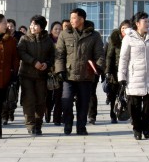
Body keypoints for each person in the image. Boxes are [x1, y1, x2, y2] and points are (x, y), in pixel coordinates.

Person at [118, 11, 149, 140]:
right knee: (133, 106)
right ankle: (136, 128)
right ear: (137, 23)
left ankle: (146, 127)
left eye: (148, 21)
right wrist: (121, 77)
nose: (147, 23)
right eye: (144, 21)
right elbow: (123, 59)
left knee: (148, 106)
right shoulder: (128, 38)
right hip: (134, 77)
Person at [55, 7, 105, 136]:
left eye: (74, 18)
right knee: (66, 101)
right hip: (68, 75)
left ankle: (81, 127)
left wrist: (98, 67)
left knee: (83, 104)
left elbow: (100, 54)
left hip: (86, 75)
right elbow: (59, 54)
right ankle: (68, 123)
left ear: (82, 19)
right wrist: (60, 70)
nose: (71, 20)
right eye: (71, 18)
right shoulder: (64, 34)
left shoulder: (94, 35)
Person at [18, 14, 55, 136]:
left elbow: (52, 56)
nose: (33, 27)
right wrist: (34, 62)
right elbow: (21, 53)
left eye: (36, 25)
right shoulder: (25, 38)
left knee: (40, 101)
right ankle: (30, 125)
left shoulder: (48, 40)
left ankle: (38, 124)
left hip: (41, 75)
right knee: (29, 100)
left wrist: (46, 64)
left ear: (42, 27)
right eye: (32, 24)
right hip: (26, 75)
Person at [105, 20, 130, 124]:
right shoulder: (115, 40)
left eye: (127, 28)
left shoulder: (134, 39)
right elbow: (109, 56)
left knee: (129, 94)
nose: (125, 30)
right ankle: (112, 113)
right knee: (114, 93)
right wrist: (107, 71)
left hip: (129, 71)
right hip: (116, 71)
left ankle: (129, 113)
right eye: (123, 28)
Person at [2, 18, 22, 124]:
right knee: (4, 94)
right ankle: (4, 115)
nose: (10, 28)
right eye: (8, 26)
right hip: (3, 71)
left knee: (13, 93)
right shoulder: (1, 38)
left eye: (12, 26)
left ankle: (11, 111)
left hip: (15, 71)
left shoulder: (19, 38)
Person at [47, 21, 63, 125]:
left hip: (60, 72)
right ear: (51, 30)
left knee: (59, 96)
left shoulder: (64, 41)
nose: (58, 31)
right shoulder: (46, 41)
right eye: (55, 29)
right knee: (48, 96)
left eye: (60, 29)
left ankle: (56, 118)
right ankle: (47, 112)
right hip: (48, 72)